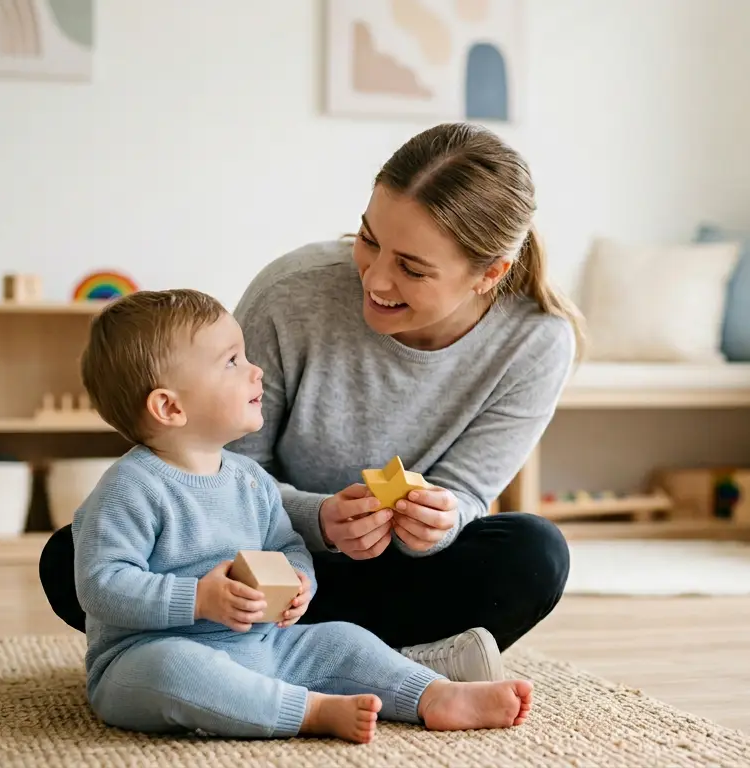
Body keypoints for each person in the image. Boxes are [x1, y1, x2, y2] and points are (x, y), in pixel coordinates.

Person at [39, 121, 581, 683]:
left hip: (390, 577)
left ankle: (263, 661)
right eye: (369, 240)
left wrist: (438, 524)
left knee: (534, 553)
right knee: (75, 556)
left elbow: (468, 492)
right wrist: (319, 521)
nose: (374, 279)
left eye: (412, 268)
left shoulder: (537, 341)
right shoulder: (292, 292)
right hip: (264, 560)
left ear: (489, 274)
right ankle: (381, 663)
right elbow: (218, 467)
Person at [71, 289, 533, 742]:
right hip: (145, 657)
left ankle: (431, 695)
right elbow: (101, 585)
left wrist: (298, 581)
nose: (256, 371)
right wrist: (198, 599)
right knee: (177, 670)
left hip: (262, 645)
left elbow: (286, 543)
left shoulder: (249, 478)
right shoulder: (131, 487)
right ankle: (308, 710)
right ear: (170, 407)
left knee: (341, 640)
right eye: (232, 362)